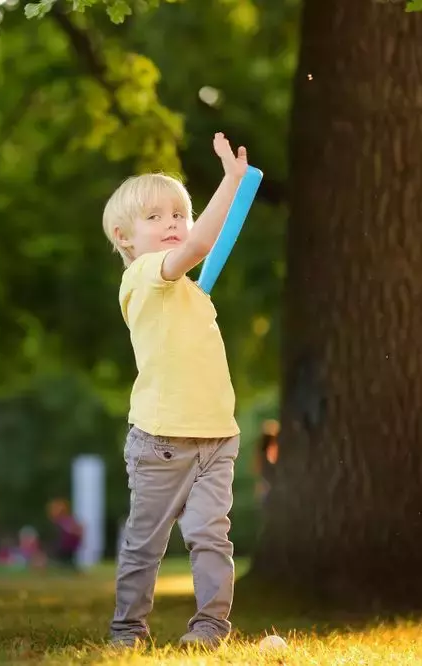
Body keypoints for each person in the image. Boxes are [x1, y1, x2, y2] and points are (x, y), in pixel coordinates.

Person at [101, 132, 248, 649]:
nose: (172, 225)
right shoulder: (144, 276)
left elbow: (198, 246)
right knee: (146, 542)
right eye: (155, 217)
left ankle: (210, 626)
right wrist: (230, 182)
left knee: (212, 538)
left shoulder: (189, 290)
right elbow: (201, 244)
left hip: (216, 438)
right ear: (125, 237)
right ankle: (128, 631)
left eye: (179, 215)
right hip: (162, 440)